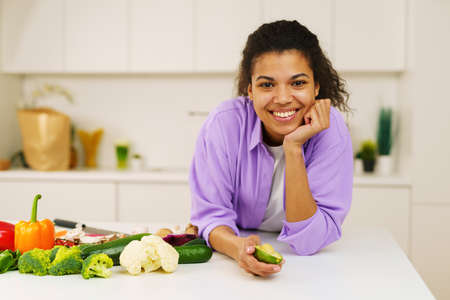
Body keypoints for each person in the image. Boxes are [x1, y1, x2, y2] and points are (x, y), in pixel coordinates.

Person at [189, 20, 353, 277]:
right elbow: (210, 217)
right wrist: (239, 249)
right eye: (267, 85)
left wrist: (294, 147)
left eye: (297, 83)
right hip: (232, 258)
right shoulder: (224, 124)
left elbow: (309, 242)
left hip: (311, 271)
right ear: (250, 90)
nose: (283, 98)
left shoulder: (331, 129)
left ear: (316, 87)